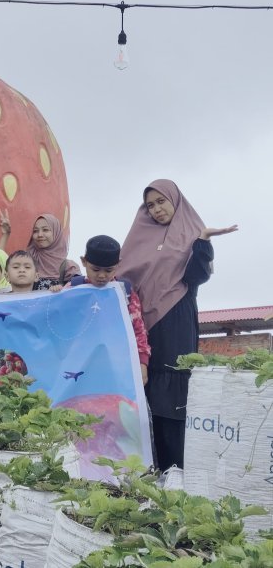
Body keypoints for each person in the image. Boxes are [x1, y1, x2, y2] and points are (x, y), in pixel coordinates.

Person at [120, 179, 237, 470]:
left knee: (171, 396)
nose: (157, 209)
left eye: (162, 201)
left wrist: (204, 242)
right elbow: (121, 276)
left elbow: (196, 277)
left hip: (176, 319)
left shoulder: (191, 232)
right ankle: (147, 468)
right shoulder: (139, 237)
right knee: (143, 392)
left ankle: (175, 471)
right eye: (150, 205)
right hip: (141, 324)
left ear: (175, 201)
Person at [68, 235, 151, 380]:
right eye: (95, 269)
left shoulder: (125, 292)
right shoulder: (72, 289)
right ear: (84, 262)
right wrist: (55, 293)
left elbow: (138, 330)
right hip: (81, 363)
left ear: (118, 264)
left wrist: (142, 363)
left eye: (108, 271)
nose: (102, 276)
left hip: (117, 364)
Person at [26, 214, 80, 290]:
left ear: (56, 232)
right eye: (35, 231)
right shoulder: (27, 261)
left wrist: (62, 289)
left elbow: (78, 292)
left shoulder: (68, 267)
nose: (40, 235)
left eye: (45, 230)